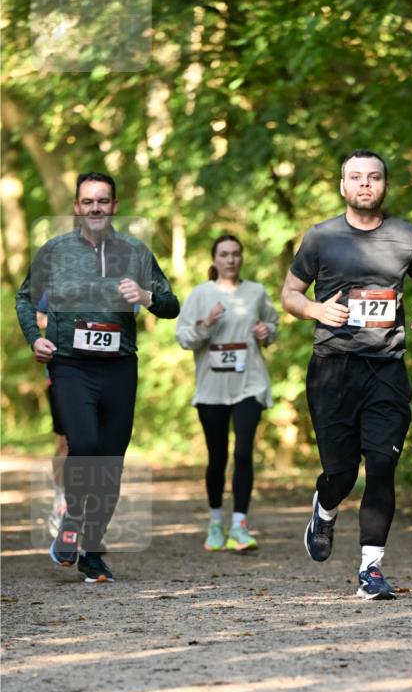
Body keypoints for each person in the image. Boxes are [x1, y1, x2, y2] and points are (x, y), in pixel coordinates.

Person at [281, 149, 412, 600]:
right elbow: (290, 293)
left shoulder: (406, 236)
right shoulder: (321, 237)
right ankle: (325, 507)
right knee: (341, 473)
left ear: (385, 185)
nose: (365, 184)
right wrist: (316, 310)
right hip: (332, 370)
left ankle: (371, 570)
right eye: (356, 177)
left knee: (383, 465)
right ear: (343, 186)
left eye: (374, 177)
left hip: (387, 368)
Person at [16, 171, 179, 583]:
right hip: (70, 365)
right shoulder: (55, 251)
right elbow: (24, 298)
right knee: (84, 444)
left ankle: (92, 551)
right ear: (77, 207)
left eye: (102, 201)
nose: (95, 208)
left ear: (114, 205)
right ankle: (72, 517)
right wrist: (35, 338)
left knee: (110, 462)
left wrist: (146, 296)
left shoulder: (135, 251)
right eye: (87, 201)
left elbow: (171, 304)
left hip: (119, 367)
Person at [176, 234, 279, 552]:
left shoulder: (256, 292)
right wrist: (206, 324)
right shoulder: (200, 294)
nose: (231, 259)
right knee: (217, 457)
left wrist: (266, 331)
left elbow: (272, 327)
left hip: (249, 383)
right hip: (212, 388)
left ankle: (240, 525)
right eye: (224, 254)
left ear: (242, 257)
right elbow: (183, 337)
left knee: (244, 453)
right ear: (214, 259)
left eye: (236, 253)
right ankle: (215, 522)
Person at [36, 296, 68, 538]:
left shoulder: (117, 279)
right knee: (65, 441)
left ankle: (90, 505)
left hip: (104, 374)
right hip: (61, 373)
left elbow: (131, 314)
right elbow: (40, 317)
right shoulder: (58, 282)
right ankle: (61, 500)